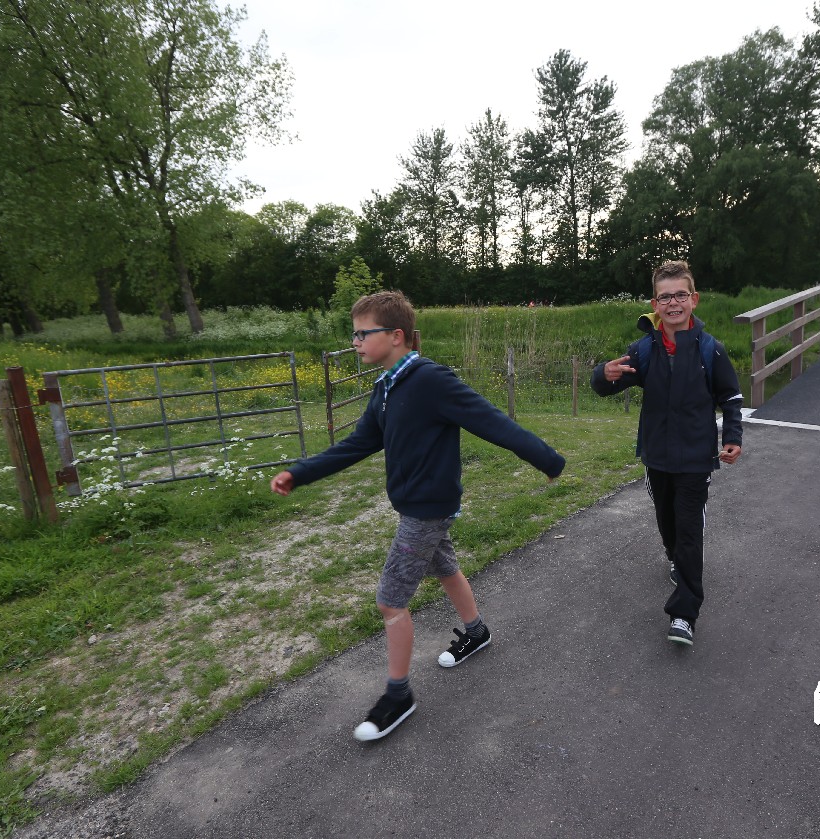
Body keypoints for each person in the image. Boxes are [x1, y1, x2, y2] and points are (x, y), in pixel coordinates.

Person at [271, 291, 565, 741]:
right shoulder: (386, 387)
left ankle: (398, 695)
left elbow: (491, 421)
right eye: (354, 334)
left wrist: (547, 459)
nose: (354, 342)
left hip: (427, 510)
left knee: (391, 601)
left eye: (362, 333)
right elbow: (358, 444)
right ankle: (476, 632)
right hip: (416, 505)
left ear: (396, 335)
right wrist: (301, 472)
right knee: (444, 566)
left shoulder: (430, 380)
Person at [591, 260, 743, 647]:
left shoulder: (711, 349)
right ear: (654, 304)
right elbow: (608, 384)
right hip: (657, 455)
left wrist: (733, 435)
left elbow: (730, 397)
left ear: (694, 299)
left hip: (695, 457)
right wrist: (601, 374)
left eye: (680, 295)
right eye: (665, 297)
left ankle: (684, 613)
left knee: (689, 530)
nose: (673, 303)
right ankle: (674, 556)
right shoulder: (645, 350)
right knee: (667, 522)